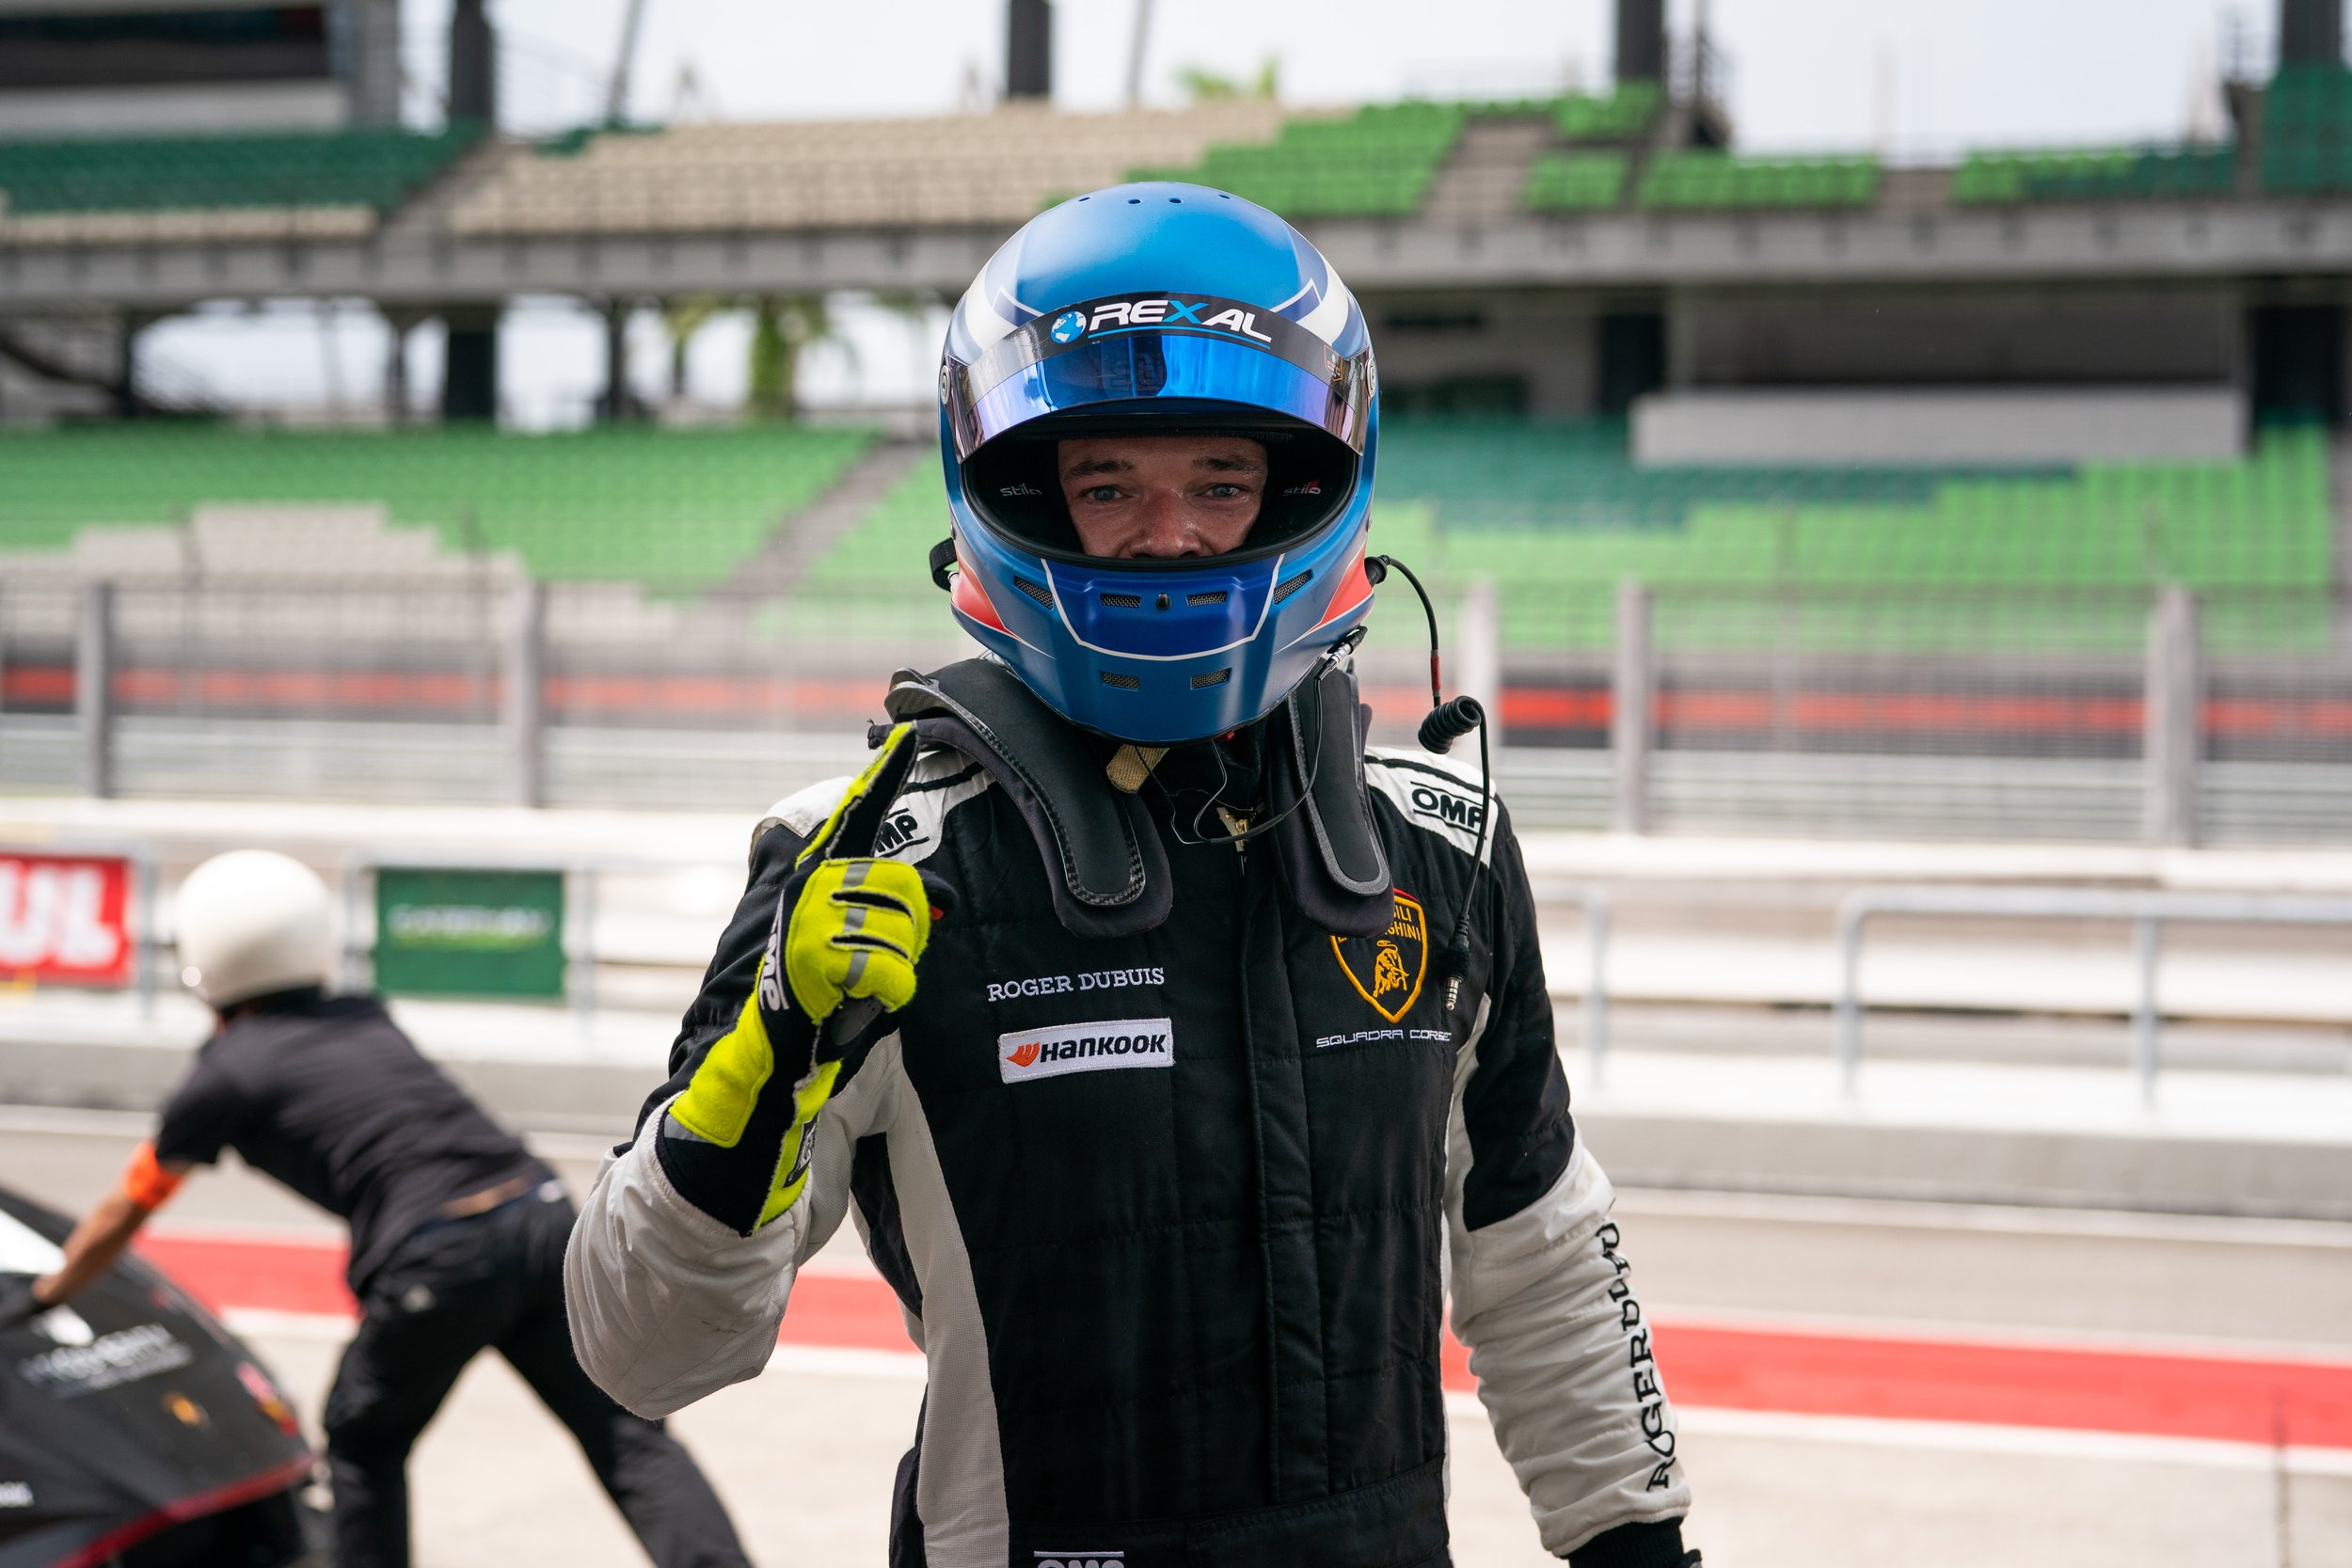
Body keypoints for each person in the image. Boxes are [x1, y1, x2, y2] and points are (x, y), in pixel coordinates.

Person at [565, 182, 1700, 1568]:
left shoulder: (1441, 841)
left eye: (1220, 484)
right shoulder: (861, 856)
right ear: (1017, 493)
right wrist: (765, 1061)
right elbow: (637, 1350)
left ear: (1306, 486)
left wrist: (1635, 1542)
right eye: (1109, 487)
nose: (1170, 539)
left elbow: (1540, 1250)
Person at [0, 849, 753, 1568]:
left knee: (362, 1443)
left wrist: (49, 1292)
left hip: (441, 1250)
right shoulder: (363, 1016)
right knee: (627, 1433)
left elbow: (129, 1204)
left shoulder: (224, 1074)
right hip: (544, 1216)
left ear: (200, 961)